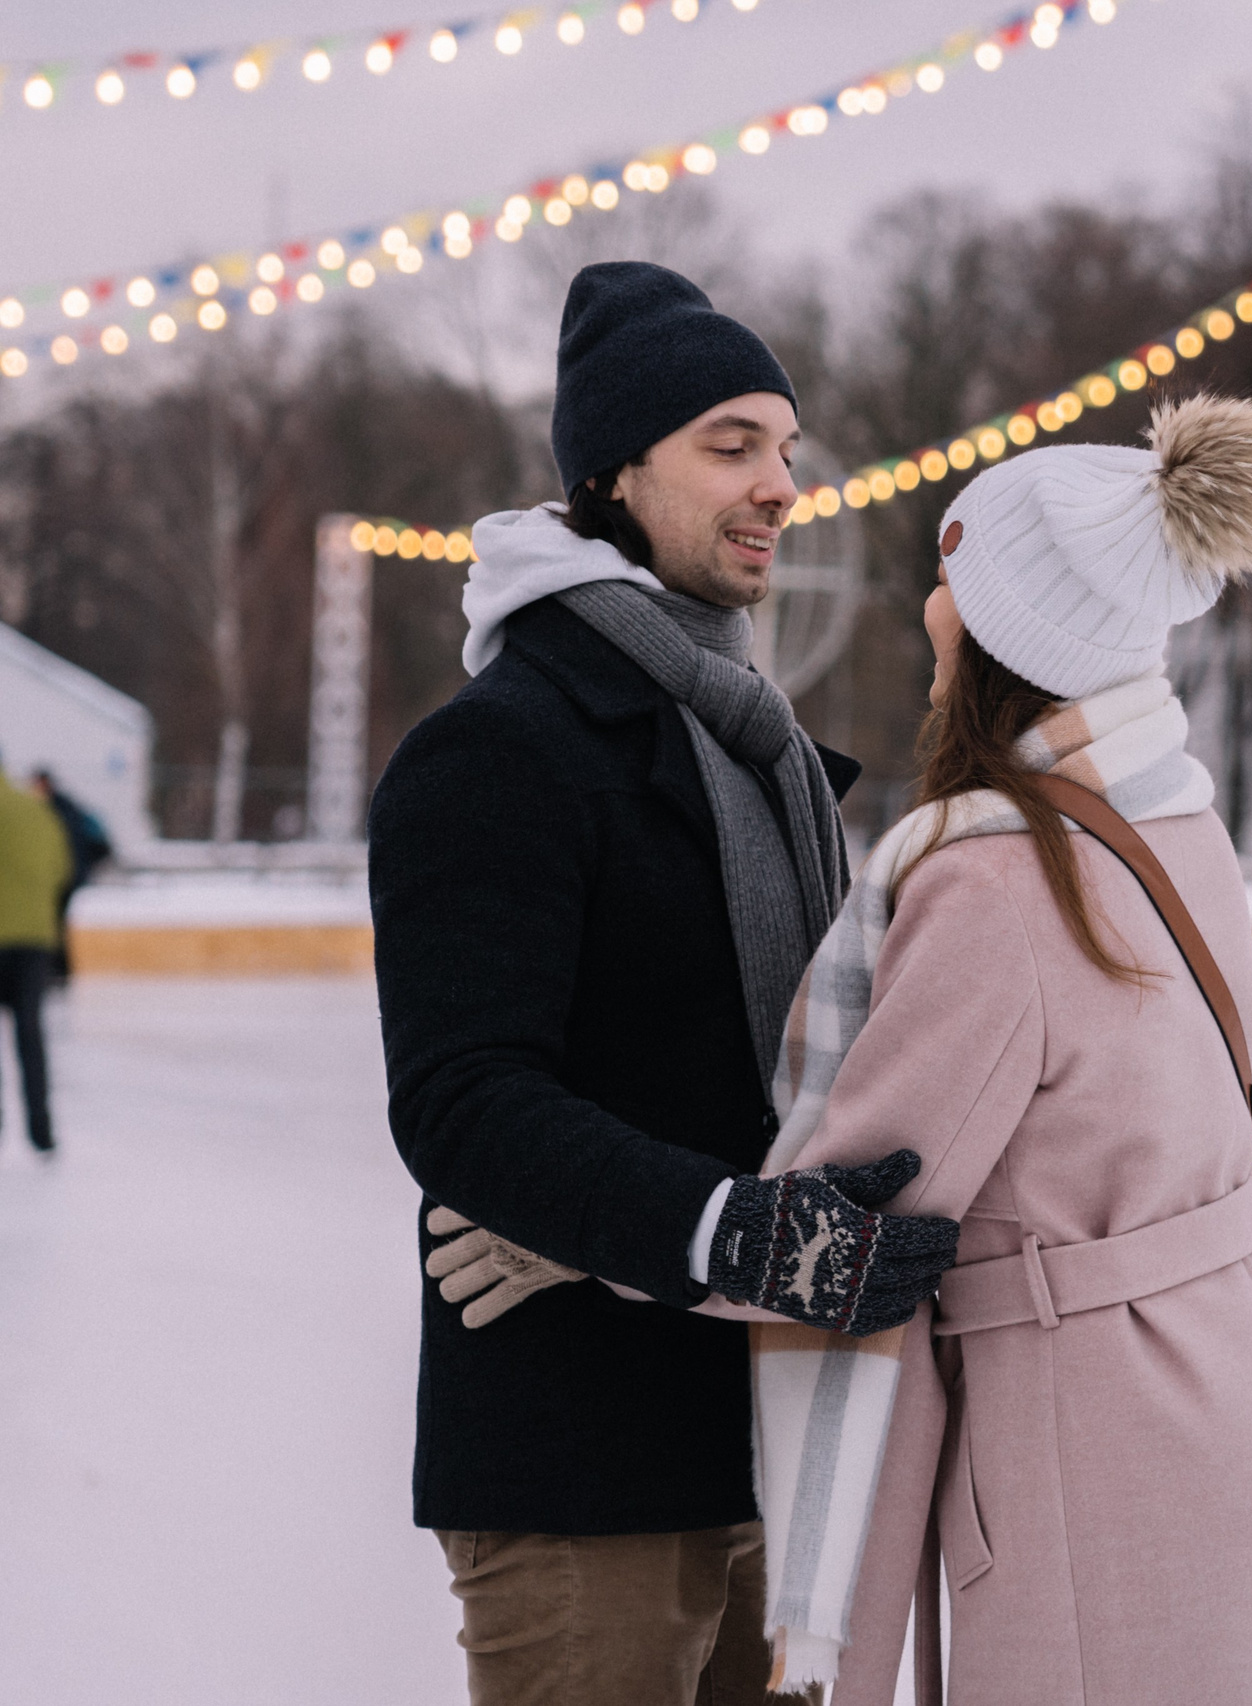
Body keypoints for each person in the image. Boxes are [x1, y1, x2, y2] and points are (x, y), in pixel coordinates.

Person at [366, 262, 959, 1706]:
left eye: (788, 452)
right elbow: (466, 1101)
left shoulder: (759, 749)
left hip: (766, 1427)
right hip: (585, 1461)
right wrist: (725, 1232)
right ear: (612, 470)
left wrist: (623, 1232)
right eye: (730, 444)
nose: (777, 486)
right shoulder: (503, 748)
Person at [748, 395, 1252, 1703]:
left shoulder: (996, 881)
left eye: (947, 579)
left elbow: (847, 1226)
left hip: (1109, 1447)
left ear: (996, 632)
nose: (928, 609)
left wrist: (598, 1236)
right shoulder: (1174, 819)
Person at [0, 762, 69, 1157]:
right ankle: (40, 1131)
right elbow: (62, 868)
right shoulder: (37, 811)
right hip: (33, 940)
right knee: (30, 1035)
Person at [28, 769, 112, 984]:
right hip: (65, 875)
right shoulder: (66, 807)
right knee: (56, 922)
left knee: (53, 923)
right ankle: (59, 970)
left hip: (62, 877)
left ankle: (57, 970)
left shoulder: (55, 810)